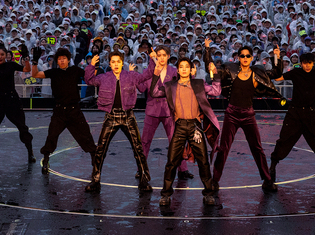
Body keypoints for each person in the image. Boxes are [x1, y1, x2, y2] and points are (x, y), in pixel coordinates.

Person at [204, 39, 283, 192]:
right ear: (238, 57)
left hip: (248, 114)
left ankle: (267, 180)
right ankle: (215, 180)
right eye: (242, 56)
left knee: (257, 148)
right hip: (232, 113)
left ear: (252, 57)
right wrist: (207, 50)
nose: (245, 58)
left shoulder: (257, 71)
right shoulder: (229, 69)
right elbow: (211, 69)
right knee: (224, 148)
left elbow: (276, 73)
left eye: (248, 56)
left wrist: (276, 57)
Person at [150, 57, 221, 206]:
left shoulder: (198, 84)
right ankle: (166, 194)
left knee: (203, 161)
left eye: (186, 67)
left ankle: (208, 193)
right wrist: (156, 74)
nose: (183, 69)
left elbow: (216, 91)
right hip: (180, 126)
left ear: (190, 69)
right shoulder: (170, 86)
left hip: (195, 126)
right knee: (171, 161)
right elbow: (155, 92)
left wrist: (215, 73)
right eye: (181, 66)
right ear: (178, 70)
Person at [84, 50, 156, 193]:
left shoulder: (131, 76)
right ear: (109, 64)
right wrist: (91, 66)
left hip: (128, 116)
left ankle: (144, 179)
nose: (116, 64)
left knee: (138, 148)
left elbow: (147, 75)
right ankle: (95, 180)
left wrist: (153, 59)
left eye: (118, 61)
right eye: (113, 62)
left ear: (122, 62)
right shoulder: (104, 77)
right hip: (111, 116)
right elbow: (89, 80)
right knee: (101, 149)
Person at [270, 53, 315, 183]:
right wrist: (277, 60)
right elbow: (278, 79)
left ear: (313, 63)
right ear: (301, 63)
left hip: (310, 113)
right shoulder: (296, 72)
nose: (307, 66)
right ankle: (272, 167)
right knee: (284, 139)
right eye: (304, 63)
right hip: (294, 113)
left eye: (309, 63)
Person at [31, 47, 97, 174]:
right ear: (57, 60)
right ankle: (46, 159)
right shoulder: (53, 72)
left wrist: (93, 64)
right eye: (59, 59)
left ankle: (94, 157)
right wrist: (35, 61)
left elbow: (89, 77)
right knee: (52, 135)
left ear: (68, 59)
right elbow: (35, 75)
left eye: (64, 59)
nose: (62, 61)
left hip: (74, 110)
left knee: (85, 134)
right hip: (59, 110)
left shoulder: (75, 70)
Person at [137, 45, 192, 180]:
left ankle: (183, 169)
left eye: (164, 55)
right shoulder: (149, 71)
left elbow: (184, 82)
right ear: (155, 56)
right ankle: (141, 169)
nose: (161, 58)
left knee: (176, 141)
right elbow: (141, 87)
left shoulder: (174, 71)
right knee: (145, 142)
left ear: (168, 56)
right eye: (159, 55)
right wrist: (134, 78)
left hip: (169, 111)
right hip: (152, 111)